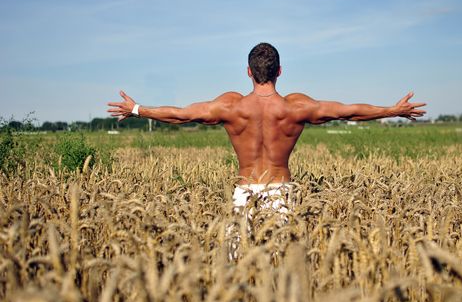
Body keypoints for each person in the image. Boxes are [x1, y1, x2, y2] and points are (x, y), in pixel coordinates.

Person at [107, 42, 426, 212]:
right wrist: (392, 110)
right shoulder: (295, 107)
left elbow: (181, 114)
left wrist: (137, 109)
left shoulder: (231, 106)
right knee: (279, 277)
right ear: (280, 71)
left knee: (237, 278)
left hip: (243, 192)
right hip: (281, 194)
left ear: (248, 71)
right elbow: (348, 111)